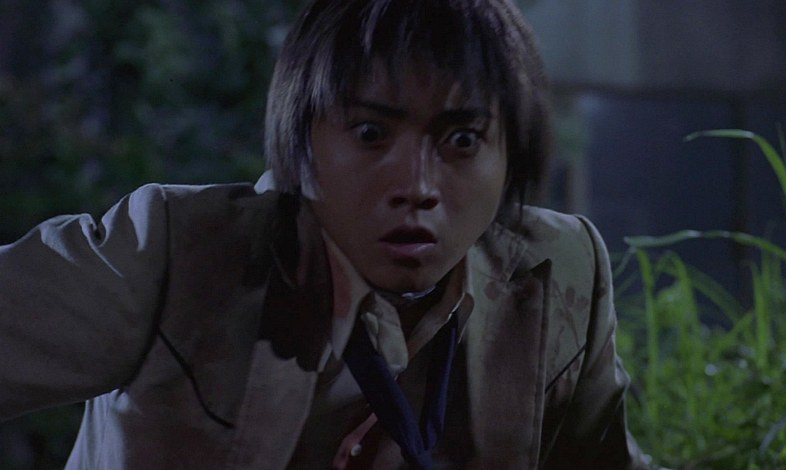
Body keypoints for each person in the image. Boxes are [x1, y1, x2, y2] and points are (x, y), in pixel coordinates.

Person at [0, 0, 650, 468]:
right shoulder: (176, 253)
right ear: (301, 141)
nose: (417, 185)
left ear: (511, 154)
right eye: (370, 134)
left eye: (461, 140)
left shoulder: (557, 270)